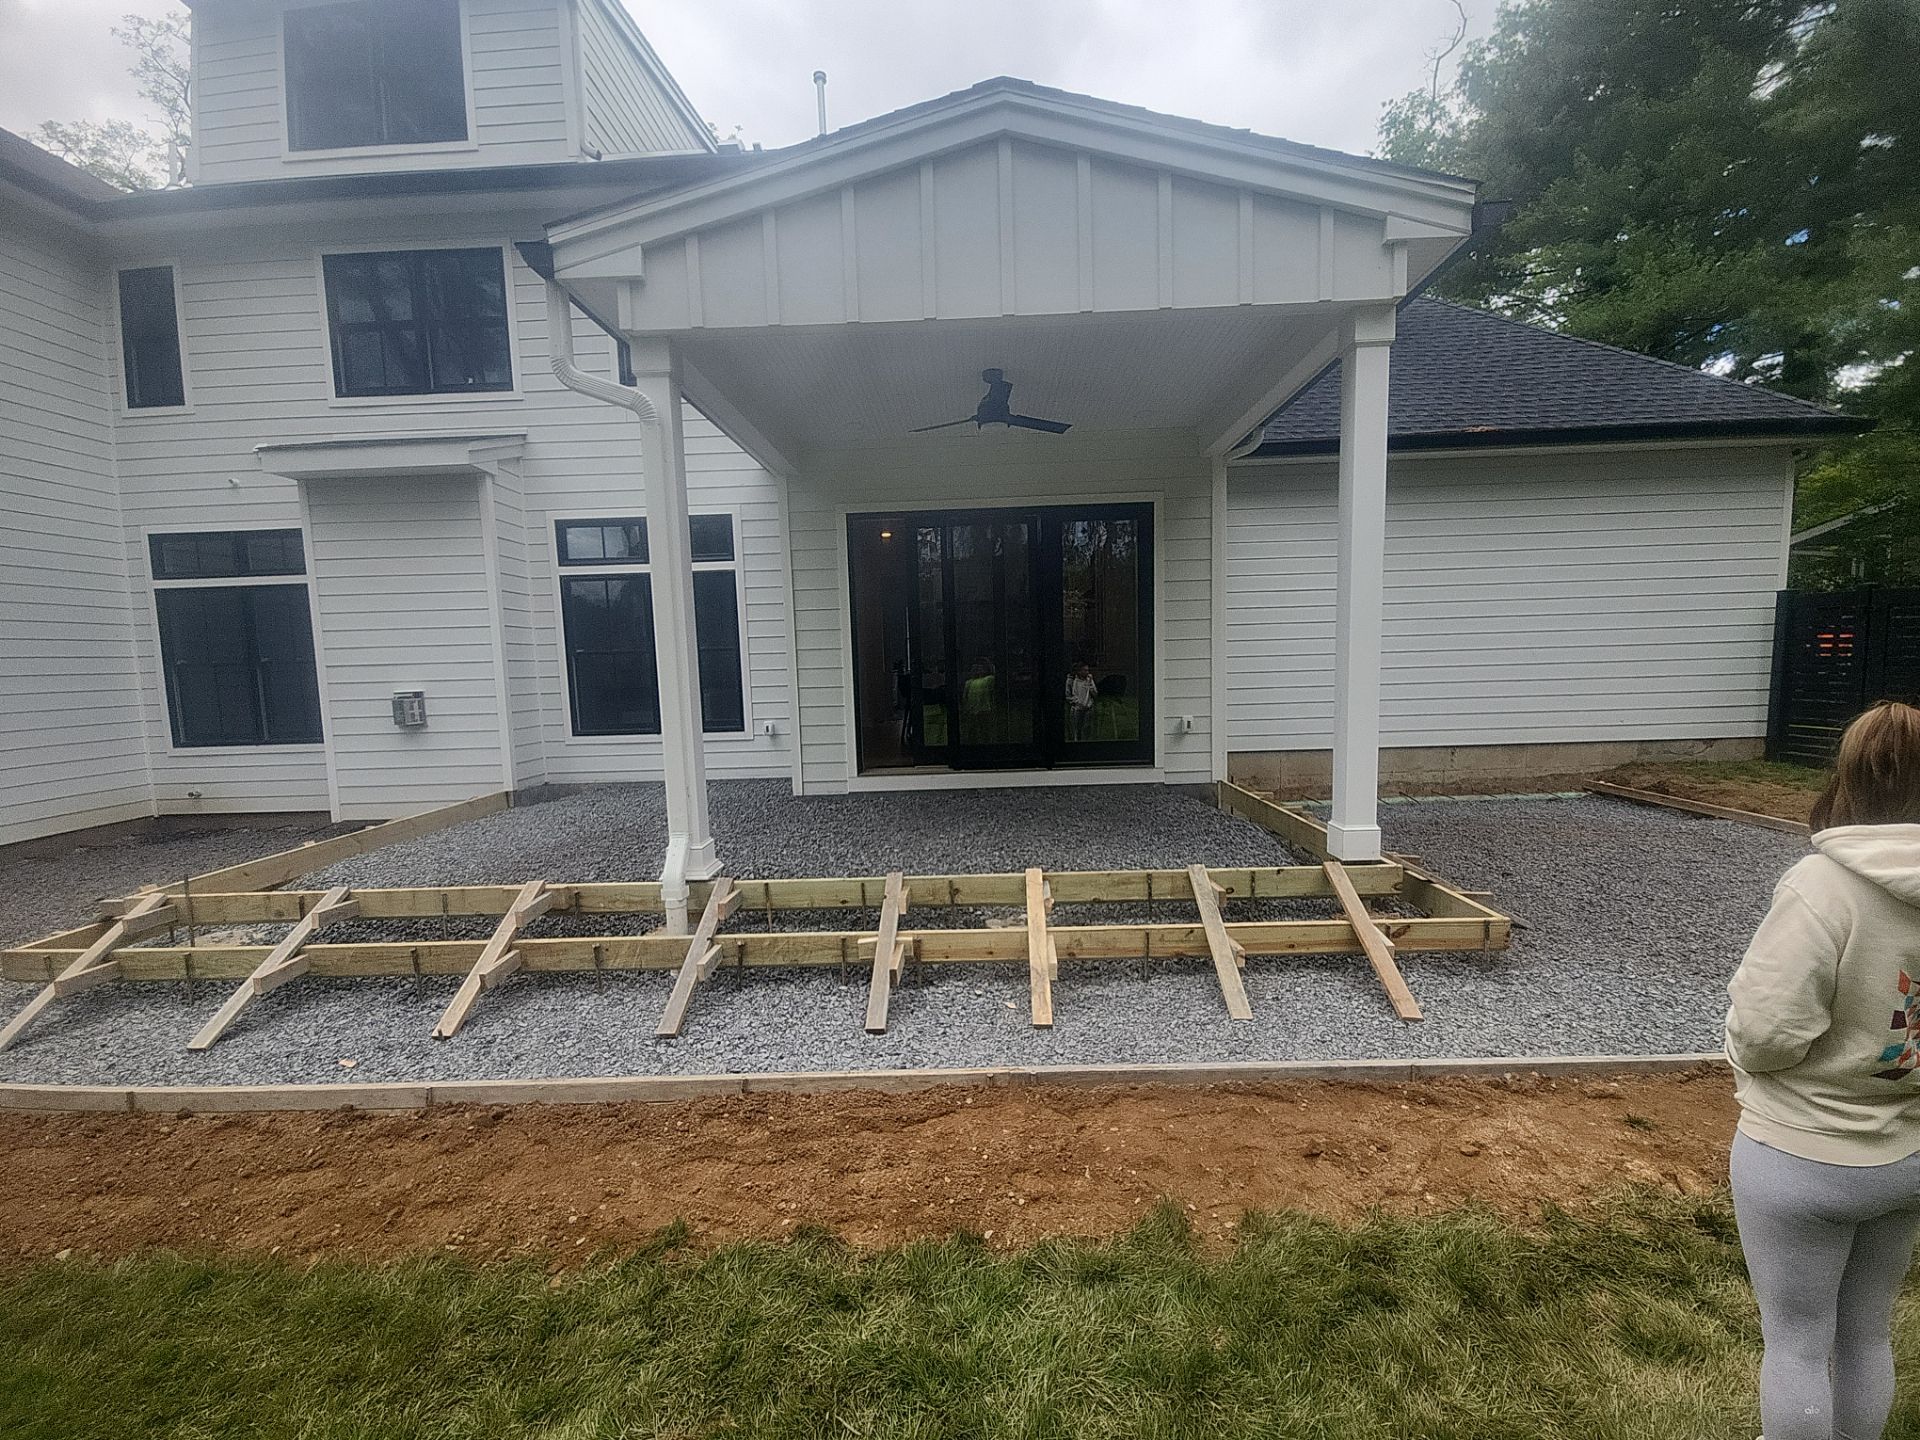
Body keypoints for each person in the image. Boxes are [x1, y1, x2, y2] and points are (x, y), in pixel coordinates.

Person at [1725, 700, 1920, 1440]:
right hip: (1906, 1152)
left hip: (1801, 1156)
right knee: (1867, 1335)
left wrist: (1741, 1050)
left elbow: (1769, 1032)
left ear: (1849, 776)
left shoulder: (1822, 886)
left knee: (1799, 1346)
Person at [1066, 662, 1098, 742]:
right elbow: (1069, 695)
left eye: (1088, 670)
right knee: (1076, 729)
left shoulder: (1089, 680)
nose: (1087, 672)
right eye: (1085, 670)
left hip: (1088, 708)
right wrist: (1077, 702)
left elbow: (1095, 693)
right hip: (1077, 708)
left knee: (1087, 729)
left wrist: (1090, 683)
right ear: (1079, 671)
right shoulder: (1072, 681)